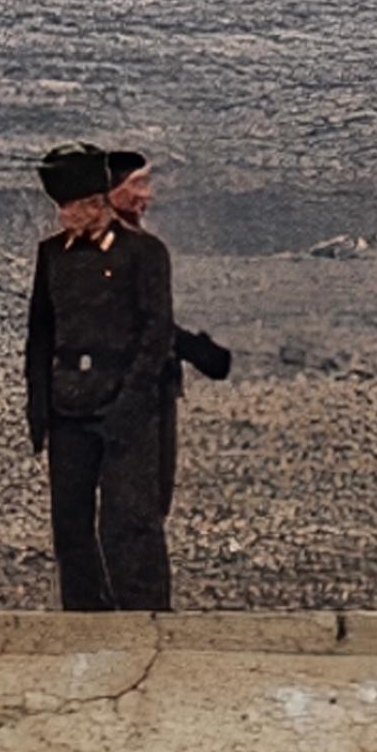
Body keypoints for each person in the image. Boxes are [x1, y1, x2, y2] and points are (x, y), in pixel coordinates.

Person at [23, 144, 178, 612]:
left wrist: (129, 408)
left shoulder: (144, 254)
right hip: (69, 408)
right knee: (71, 526)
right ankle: (83, 626)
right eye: (61, 207)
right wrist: (40, 411)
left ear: (96, 202)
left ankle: (147, 625)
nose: (65, 215)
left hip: (125, 411)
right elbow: (41, 334)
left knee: (130, 525)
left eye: (72, 205)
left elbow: (156, 335)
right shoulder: (52, 256)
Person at [102, 151, 235, 504]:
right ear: (109, 191)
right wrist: (196, 350)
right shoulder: (119, 250)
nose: (148, 195)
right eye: (138, 185)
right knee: (143, 503)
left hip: (145, 386)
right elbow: (138, 322)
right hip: (134, 391)